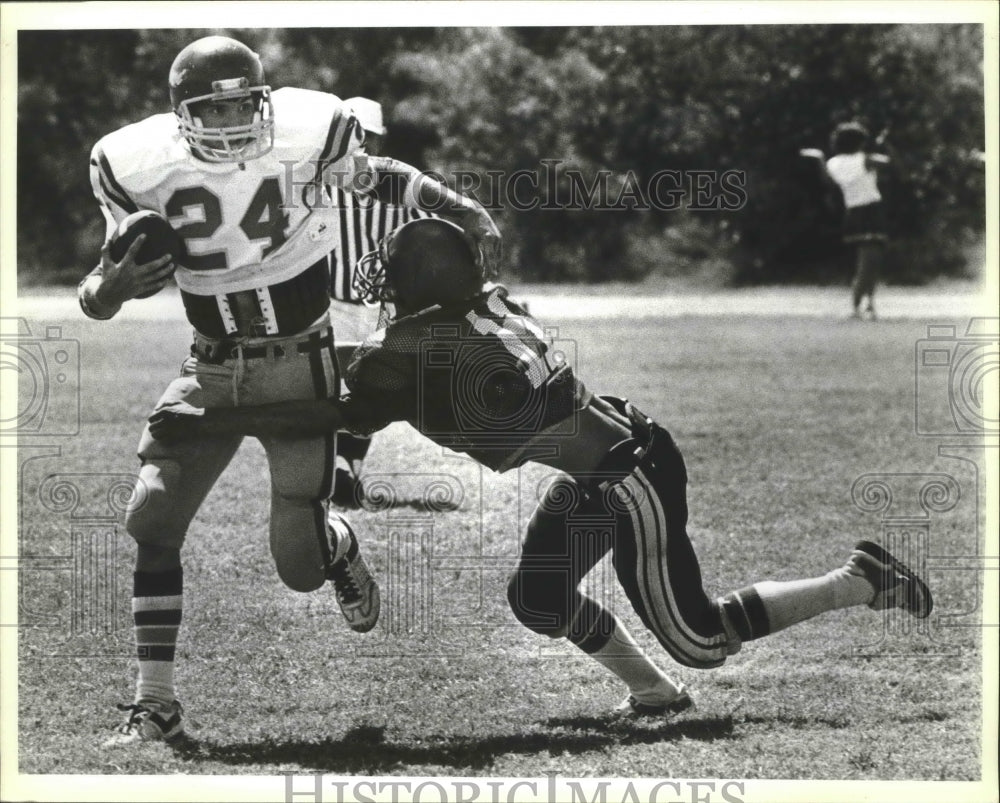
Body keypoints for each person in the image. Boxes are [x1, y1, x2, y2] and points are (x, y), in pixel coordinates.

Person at [149, 218, 934, 718]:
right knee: (538, 596)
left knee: (701, 638)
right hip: (610, 459)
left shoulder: (421, 350)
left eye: (393, 275)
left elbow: (328, 412)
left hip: (629, 480)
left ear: (420, 288)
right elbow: (394, 366)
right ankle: (652, 691)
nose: (382, 288)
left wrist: (219, 417)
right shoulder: (477, 309)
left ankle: (857, 578)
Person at [79, 36, 500, 745]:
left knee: (298, 569)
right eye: (214, 110)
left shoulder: (309, 129)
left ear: (264, 99)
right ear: (181, 114)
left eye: (245, 102)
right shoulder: (134, 162)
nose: (235, 120)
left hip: (299, 361)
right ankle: (156, 704)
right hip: (211, 364)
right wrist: (107, 293)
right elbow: (98, 287)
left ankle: (334, 545)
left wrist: (461, 206)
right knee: (150, 517)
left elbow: (377, 174)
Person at [324, 97, 434, 508]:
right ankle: (347, 467)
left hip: (330, 301)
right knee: (369, 391)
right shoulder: (402, 182)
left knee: (328, 389)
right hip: (379, 308)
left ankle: (334, 466)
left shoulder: (319, 179)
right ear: (374, 135)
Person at [804, 122, 891, 319]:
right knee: (870, 262)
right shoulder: (866, 159)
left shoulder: (833, 163)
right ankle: (858, 305)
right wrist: (882, 145)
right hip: (872, 210)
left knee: (867, 262)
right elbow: (886, 162)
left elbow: (828, 181)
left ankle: (867, 304)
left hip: (852, 212)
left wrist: (819, 158)